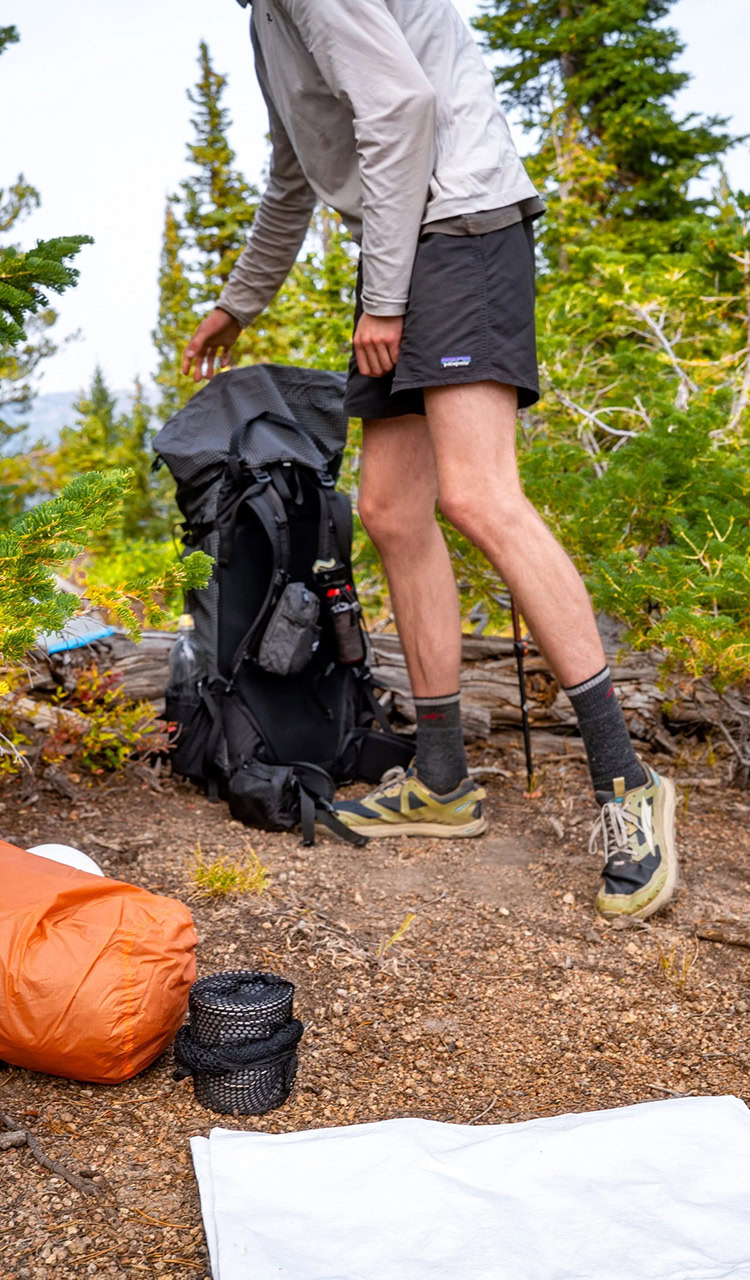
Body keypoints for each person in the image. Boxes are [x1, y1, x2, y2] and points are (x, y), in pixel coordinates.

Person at [182, 0, 678, 921]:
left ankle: (627, 783)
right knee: (393, 511)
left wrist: (384, 297)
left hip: (459, 228)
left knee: (481, 497)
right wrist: (239, 301)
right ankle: (443, 779)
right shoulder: (265, 21)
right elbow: (296, 167)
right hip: (408, 242)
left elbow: (404, 106)